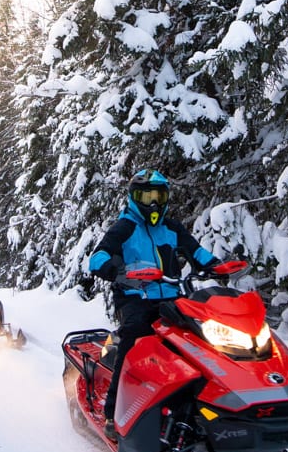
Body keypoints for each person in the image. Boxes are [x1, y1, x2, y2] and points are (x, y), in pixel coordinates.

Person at [87, 170, 220, 437]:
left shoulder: (171, 228)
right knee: (135, 338)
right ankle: (114, 412)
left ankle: (206, 406)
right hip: (135, 298)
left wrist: (215, 265)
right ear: (134, 198)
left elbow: (195, 250)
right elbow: (97, 258)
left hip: (173, 297)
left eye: (158, 196)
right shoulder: (125, 227)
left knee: (201, 341)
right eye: (146, 196)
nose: (153, 204)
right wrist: (118, 272)